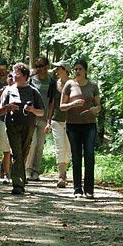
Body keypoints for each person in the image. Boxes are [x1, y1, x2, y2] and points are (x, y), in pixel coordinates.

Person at [0, 63, 44, 195]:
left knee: (23, 153)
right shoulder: (8, 90)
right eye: (13, 73)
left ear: (25, 76)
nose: (13, 75)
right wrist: (8, 107)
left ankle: (21, 179)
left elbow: (41, 112)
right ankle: (17, 184)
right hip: (12, 125)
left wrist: (32, 110)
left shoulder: (33, 91)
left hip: (28, 126)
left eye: (16, 73)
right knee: (16, 154)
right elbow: (0, 111)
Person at [60, 58, 101, 199]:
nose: (77, 71)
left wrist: (96, 109)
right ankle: (77, 189)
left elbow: (99, 106)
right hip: (73, 125)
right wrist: (73, 104)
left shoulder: (93, 86)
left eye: (80, 69)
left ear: (85, 71)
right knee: (76, 157)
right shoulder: (69, 85)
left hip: (89, 125)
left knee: (89, 155)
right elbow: (62, 106)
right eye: (75, 69)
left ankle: (89, 189)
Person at [45, 60, 72, 188]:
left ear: (65, 70)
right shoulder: (53, 84)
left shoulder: (73, 84)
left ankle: (64, 172)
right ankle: (61, 175)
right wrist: (48, 121)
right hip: (56, 120)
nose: (56, 71)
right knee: (60, 147)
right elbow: (51, 103)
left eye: (58, 68)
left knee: (68, 149)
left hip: (71, 121)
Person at [26, 56, 51, 181]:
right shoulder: (31, 81)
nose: (40, 68)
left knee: (40, 145)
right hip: (32, 117)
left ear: (47, 66)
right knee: (32, 143)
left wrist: (50, 120)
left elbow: (52, 101)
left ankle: (36, 170)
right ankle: (27, 170)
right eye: (37, 66)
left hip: (44, 117)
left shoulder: (51, 81)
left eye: (42, 66)